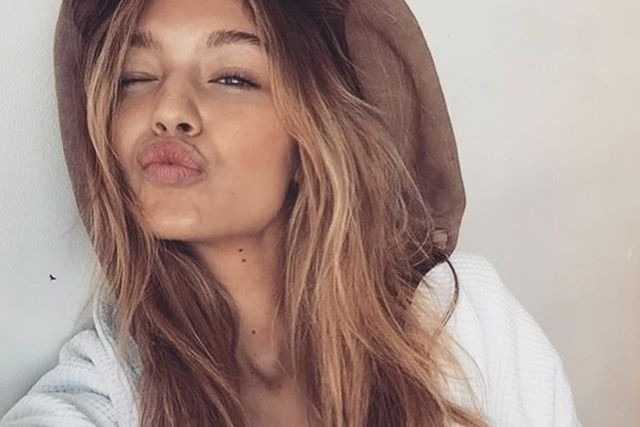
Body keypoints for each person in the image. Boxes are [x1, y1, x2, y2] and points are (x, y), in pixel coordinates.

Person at [1, 0, 583, 426]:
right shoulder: (101, 393)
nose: (168, 109)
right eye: (136, 78)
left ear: (311, 142)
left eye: (232, 77)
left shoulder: (467, 326)